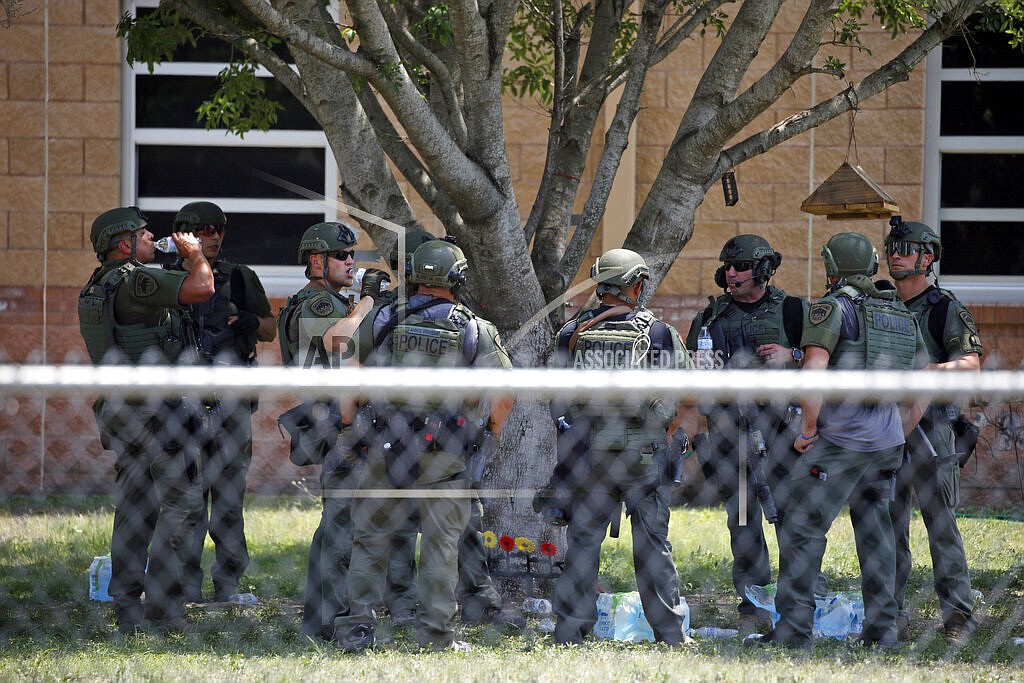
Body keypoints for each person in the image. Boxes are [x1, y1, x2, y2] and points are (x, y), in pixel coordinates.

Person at [334, 239, 514, 652]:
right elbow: (506, 390)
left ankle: (357, 628)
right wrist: (491, 432)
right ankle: (435, 635)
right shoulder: (473, 328)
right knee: (441, 545)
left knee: (370, 540)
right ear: (458, 277)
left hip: (385, 444)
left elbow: (350, 373)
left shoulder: (383, 318)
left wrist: (348, 425)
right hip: (446, 452)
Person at [756, 232, 927, 650]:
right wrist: (897, 433)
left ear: (832, 267)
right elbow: (923, 382)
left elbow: (813, 371)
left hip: (838, 444)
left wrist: (808, 431)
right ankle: (883, 632)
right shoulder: (899, 312)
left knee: (801, 529)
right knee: (877, 534)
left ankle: (794, 633)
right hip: (885, 445)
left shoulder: (831, 308)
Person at [541, 248, 692, 646]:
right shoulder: (658, 334)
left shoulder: (571, 332)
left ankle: (570, 630)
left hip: (588, 457)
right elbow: (686, 394)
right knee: (652, 546)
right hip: (643, 456)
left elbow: (554, 394)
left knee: (583, 542)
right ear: (637, 285)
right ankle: (670, 634)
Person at [77, 206, 215, 633]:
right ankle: (163, 609)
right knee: (181, 505)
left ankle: (126, 604)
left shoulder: (95, 287)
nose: (152, 236)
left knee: (134, 508)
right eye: (142, 233)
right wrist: (193, 254)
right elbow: (202, 287)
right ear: (124, 245)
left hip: (124, 411)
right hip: (160, 414)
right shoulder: (136, 279)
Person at [278, 220, 417, 639]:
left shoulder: (333, 301)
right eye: (342, 255)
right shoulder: (318, 305)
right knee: (341, 529)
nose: (350, 261)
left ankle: (329, 617)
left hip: (346, 421)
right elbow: (340, 343)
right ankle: (332, 621)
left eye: (353, 254)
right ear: (316, 260)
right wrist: (368, 299)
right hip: (338, 423)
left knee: (344, 526)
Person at [685, 234, 808, 632]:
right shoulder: (710, 317)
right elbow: (690, 373)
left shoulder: (793, 311)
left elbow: (828, 358)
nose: (732, 274)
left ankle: (799, 598)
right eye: (728, 267)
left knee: (791, 514)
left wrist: (794, 356)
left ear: (763, 270)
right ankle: (753, 603)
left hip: (782, 430)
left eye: (740, 267)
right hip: (728, 431)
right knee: (742, 517)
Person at [168, 201, 276, 604]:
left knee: (228, 500)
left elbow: (269, 328)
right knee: (188, 499)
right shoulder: (163, 280)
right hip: (183, 405)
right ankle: (185, 587)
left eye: (219, 229)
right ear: (184, 234)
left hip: (230, 405)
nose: (213, 236)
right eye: (204, 230)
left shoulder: (240, 278)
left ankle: (228, 585)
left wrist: (251, 323)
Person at [884, 217, 983, 644]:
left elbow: (970, 365)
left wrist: (930, 370)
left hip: (933, 434)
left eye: (905, 248)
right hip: (886, 430)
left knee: (941, 527)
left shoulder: (945, 308)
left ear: (927, 258)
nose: (894, 255)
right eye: (891, 247)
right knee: (888, 528)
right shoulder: (881, 304)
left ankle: (958, 616)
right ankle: (891, 614)